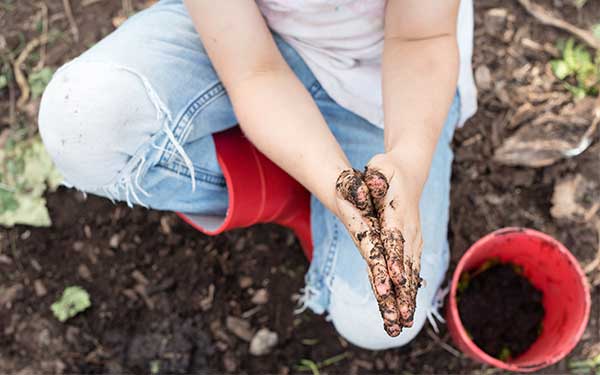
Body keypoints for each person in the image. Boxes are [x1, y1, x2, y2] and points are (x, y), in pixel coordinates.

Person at [38, 0, 476, 350]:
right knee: (85, 122)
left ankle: (303, 172)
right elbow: (253, 70)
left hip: (387, 80)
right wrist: (333, 183)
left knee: (375, 321)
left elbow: (421, 36)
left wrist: (408, 164)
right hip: (248, 43)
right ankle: (290, 190)